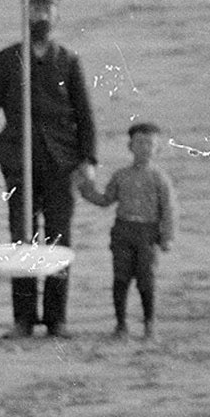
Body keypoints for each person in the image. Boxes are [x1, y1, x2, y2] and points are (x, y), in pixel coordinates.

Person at [0, 0, 98, 339]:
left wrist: (88, 159)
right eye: (34, 9)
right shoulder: (6, 60)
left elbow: (85, 115)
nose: (41, 15)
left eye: (47, 10)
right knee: (22, 240)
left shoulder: (69, 61)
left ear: (57, 17)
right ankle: (24, 319)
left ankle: (57, 319)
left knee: (59, 240)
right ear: (25, 15)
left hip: (62, 163)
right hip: (20, 165)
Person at [78, 121, 178, 340]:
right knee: (121, 278)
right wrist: (85, 187)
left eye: (149, 144)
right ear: (130, 147)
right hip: (123, 231)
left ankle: (149, 326)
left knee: (146, 280)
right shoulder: (121, 175)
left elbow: (169, 209)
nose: (144, 148)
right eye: (139, 143)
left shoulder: (160, 179)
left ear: (157, 149)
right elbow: (105, 199)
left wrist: (167, 237)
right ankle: (121, 325)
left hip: (148, 234)